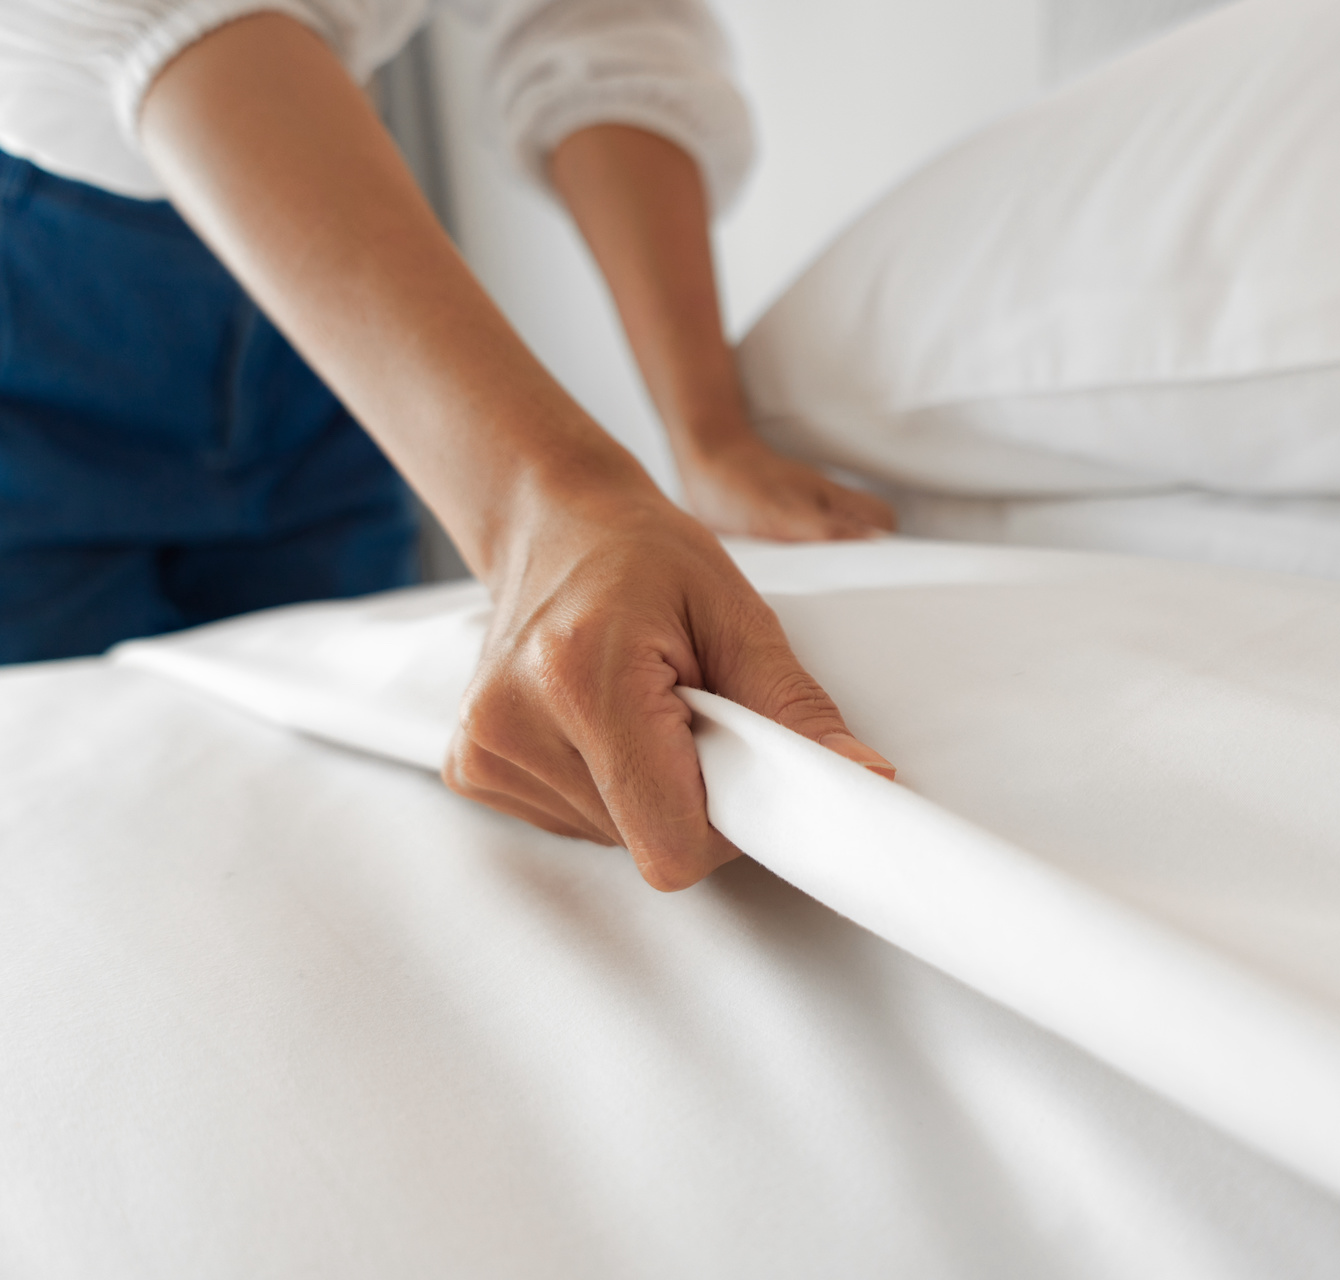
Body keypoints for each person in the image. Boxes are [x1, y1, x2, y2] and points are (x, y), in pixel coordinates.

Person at [0, 0, 896, 889]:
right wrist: (552, 503)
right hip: (38, 328)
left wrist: (709, 435)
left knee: (327, 815)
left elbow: (593, 20)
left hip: (322, 332)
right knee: (78, 836)